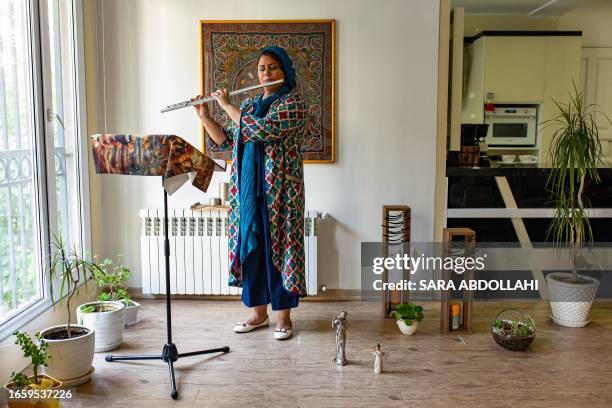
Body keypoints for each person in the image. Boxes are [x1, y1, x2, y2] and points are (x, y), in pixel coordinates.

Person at [193, 46, 307, 340]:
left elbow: (259, 130)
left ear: (284, 71)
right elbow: (228, 139)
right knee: (252, 250)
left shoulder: (292, 104)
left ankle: (283, 317)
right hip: (247, 192)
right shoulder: (253, 104)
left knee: (280, 251)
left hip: (280, 193)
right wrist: (205, 116)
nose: (266, 73)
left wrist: (229, 105)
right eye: (261, 68)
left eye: (272, 67)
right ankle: (258, 314)